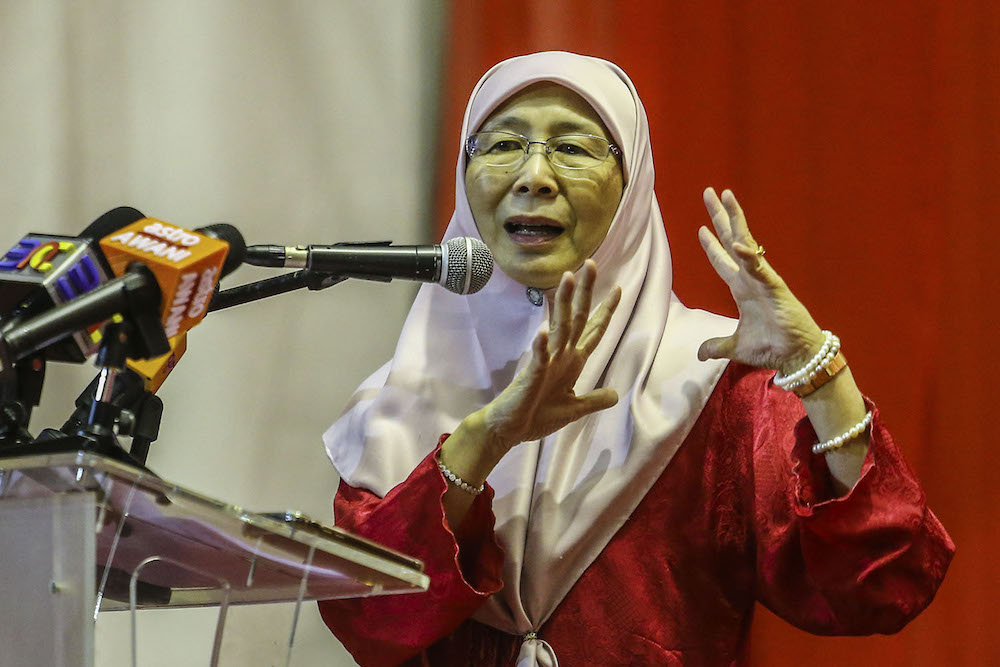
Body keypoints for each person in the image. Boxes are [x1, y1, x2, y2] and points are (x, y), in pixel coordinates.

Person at [318, 52, 953, 666]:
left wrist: (819, 372)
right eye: (503, 144)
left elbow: (883, 584)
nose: (534, 175)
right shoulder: (401, 400)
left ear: (632, 188)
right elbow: (369, 624)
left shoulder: (709, 382)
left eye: (572, 147)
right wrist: (486, 437)